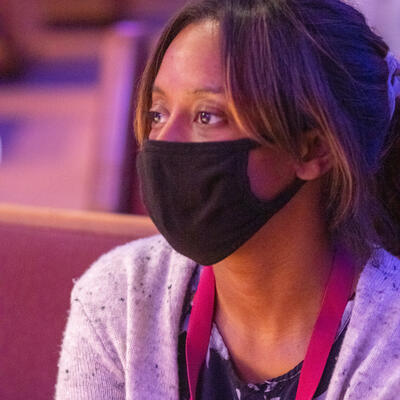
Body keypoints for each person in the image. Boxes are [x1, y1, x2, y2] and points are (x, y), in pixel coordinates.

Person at [55, 0, 400, 399]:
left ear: (313, 149)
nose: (162, 143)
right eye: (157, 114)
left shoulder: (388, 344)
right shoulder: (123, 297)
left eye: (207, 116)